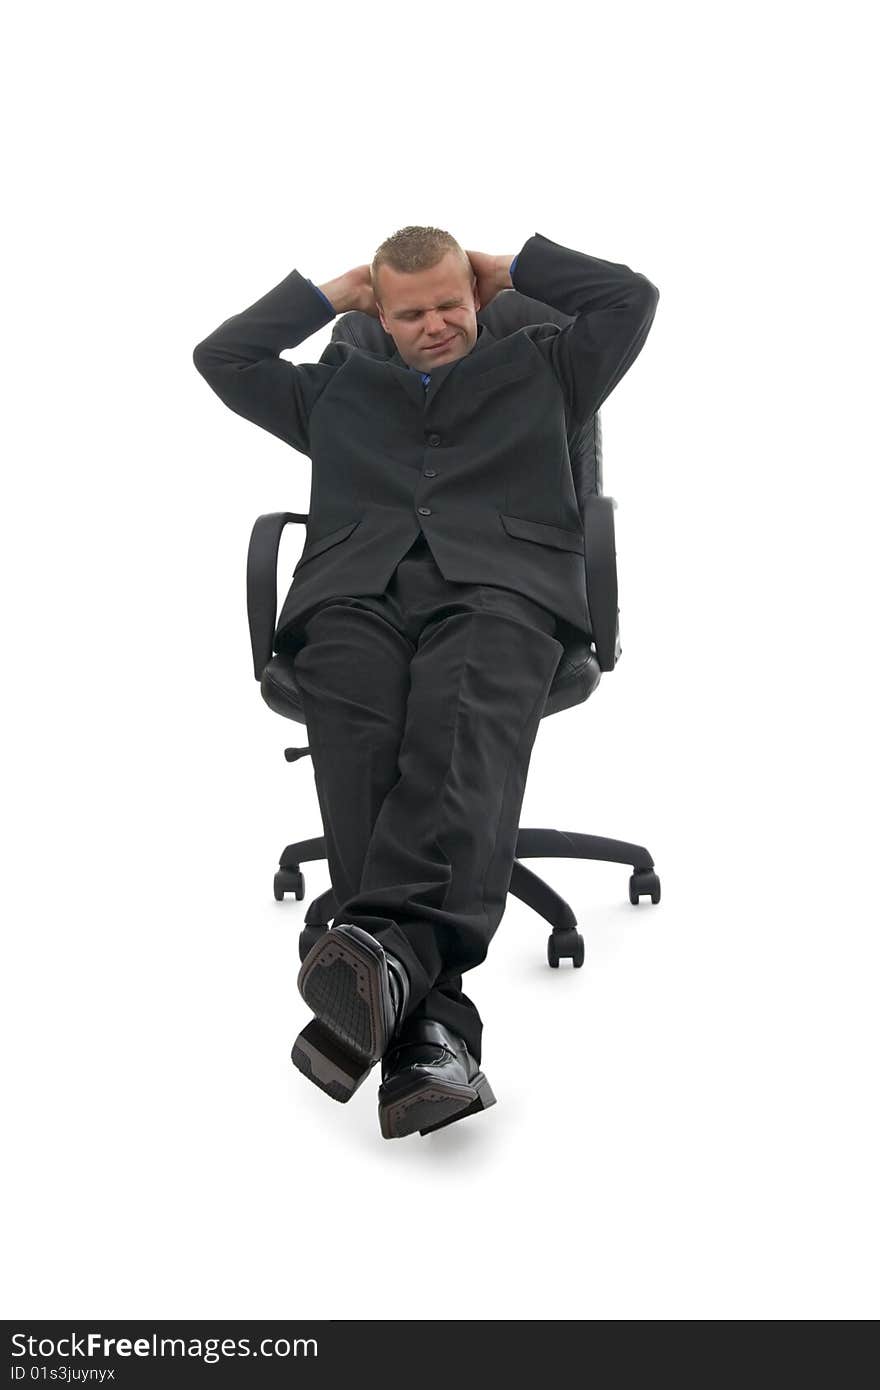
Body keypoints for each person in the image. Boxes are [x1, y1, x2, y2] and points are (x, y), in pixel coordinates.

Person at [193, 227, 659, 1140]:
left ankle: (382, 959)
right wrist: (330, 296)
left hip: (502, 591)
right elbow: (221, 356)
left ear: (476, 297)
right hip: (354, 594)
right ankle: (430, 1032)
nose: (438, 323)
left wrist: (516, 269)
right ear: (383, 315)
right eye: (413, 312)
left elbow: (632, 299)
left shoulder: (550, 365)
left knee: (456, 717)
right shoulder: (334, 387)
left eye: (452, 304)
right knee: (359, 736)